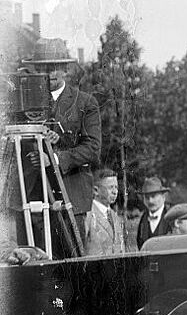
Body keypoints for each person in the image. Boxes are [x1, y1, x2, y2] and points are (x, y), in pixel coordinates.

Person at [19, 38, 102, 243]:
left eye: (55, 67)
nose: (50, 73)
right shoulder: (23, 104)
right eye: (43, 68)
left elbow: (93, 148)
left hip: (72, 196)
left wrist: (55, 158)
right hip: (33, 197)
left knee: (73, 265)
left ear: (65, 68)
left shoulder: (85, 102)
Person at [84, 168, 126, 256]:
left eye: (116, 187)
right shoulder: (88, 215)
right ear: (96, 190)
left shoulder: (115, 217)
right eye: (111, 187)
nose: (115, 192)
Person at [136, 177, 172, 247]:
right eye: (147, 197)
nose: (150, 201)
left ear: (163, 196)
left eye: (153, 196)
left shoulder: (172, 216)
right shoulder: (143, 218)